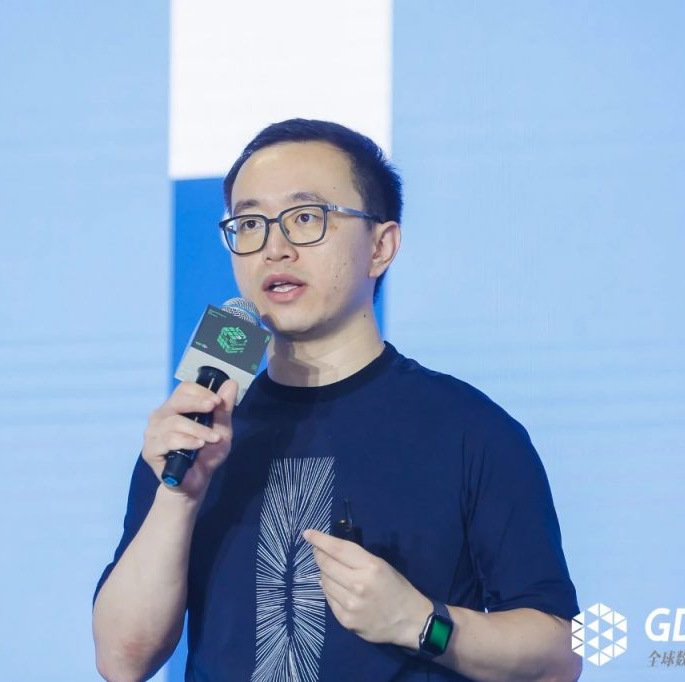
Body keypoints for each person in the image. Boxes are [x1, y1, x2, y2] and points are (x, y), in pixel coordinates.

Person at [92, 119, 581, 682]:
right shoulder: (196, 428)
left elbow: (561, 654)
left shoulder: (470, 430)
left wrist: (421, 623)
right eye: (249, 224)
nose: (274, 248)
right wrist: (178, 498)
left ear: (381, 246)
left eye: (306, 218)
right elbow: (122, 660)